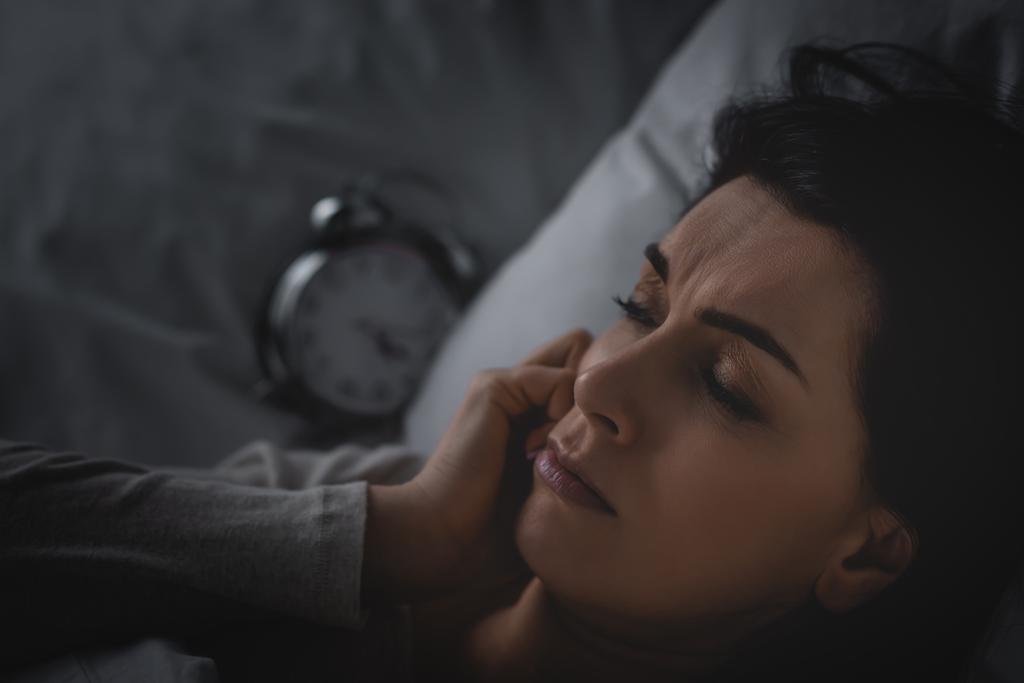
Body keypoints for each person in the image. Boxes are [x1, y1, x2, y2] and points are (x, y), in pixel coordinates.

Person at [3, 43, 1024, 682]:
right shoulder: (364, 529)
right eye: (641, 305)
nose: (601, 380)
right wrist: (378, 539)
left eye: (726, 386)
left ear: (862, 554)